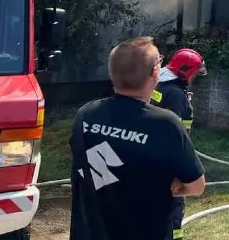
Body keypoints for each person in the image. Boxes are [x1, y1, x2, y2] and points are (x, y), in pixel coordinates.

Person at [69, 36, 206, 240]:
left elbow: (89, 165)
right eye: (159, 61)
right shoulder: (166, 125)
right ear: (154, 72)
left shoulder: (86, 114)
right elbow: (196, 186)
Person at [149, 48, 207, 240]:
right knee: (173, 208)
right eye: (194, 73)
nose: (194, 78)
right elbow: (175, 135)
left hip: (152, 157)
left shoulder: (160, 85)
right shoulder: (175, 95)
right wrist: (179, 172)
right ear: (186, 72)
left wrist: (182, 98)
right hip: (170, 162)